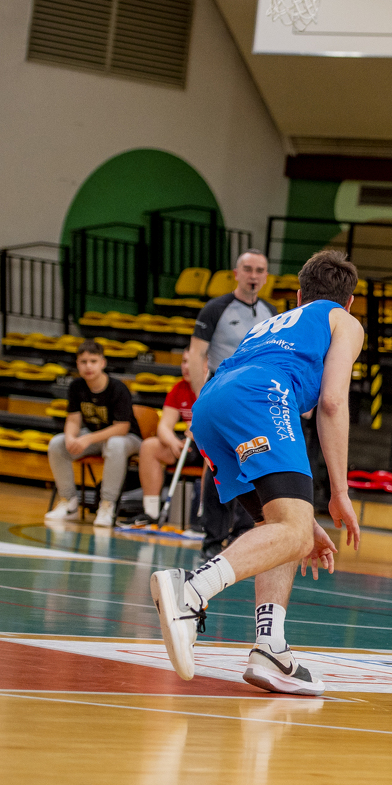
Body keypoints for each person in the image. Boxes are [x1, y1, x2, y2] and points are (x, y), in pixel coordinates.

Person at [150, 250, 364, 697]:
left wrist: (301, 524)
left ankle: (270, 648)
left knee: (280, 527)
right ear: (349, 302)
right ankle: (191, 591)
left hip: (211, 404)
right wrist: (340, 491)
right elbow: (332, 402)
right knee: (292, 529)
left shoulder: (275, 321)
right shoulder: (343, 321)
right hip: (261, 395)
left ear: (299, 295)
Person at [187, 249, 276, 560]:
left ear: (266, 276)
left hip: (255, 401)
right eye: (248, 269)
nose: (254, 276)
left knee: (253, 464)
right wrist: (201, 398)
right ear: (236, 273)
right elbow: (196, 354)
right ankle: (212, 539)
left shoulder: (272, 312)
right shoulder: (216, 309)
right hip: (220, 397)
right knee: (220, 467)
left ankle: (244, 534)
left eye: (259, 270)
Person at [45, 341, 141, 528]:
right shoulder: (76, 386)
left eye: (93, 361)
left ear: (103, 363)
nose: (88, 366)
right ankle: (69, 502)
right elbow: (73, 420)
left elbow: (121, 428)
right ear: (77, 364)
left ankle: (107, 505)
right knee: (57, 443)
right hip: (96, 436)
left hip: (128, 439)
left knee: (115, 444)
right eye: (83, 362)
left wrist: (87, 439)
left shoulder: (118, 388)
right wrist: (71, 438)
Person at [119, 355, 196, 528]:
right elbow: (164, 426)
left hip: (212, 447)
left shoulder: (213, 385)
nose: (186, 366)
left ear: (205, 364)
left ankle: (205, 518)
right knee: (150, 446)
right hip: (187, 445)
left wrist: (201, 429)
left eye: (191, 362)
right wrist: (173, 442)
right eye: (183, 361)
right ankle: (151, 513)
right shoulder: (179, 388)